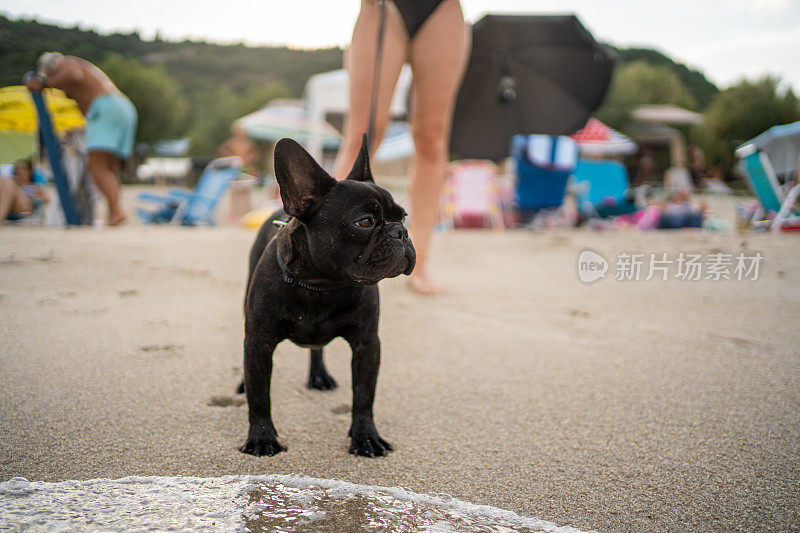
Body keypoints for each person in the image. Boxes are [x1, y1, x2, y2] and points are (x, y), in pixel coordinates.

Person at [331, 0, 470, 294]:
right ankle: (333, 253)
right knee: (364, 132)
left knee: (432, 136)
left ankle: (417, 263)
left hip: (442, 8)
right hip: (384, 6)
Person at [25, 52, 137, 226]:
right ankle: (114, 214)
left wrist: (44, 83)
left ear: (49, 68)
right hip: (122, 107)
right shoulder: (86, 70)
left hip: (105, 108)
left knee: (96, 166)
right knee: (109, 168)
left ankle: (117, 211)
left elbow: (73, 75)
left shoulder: (64, 63)